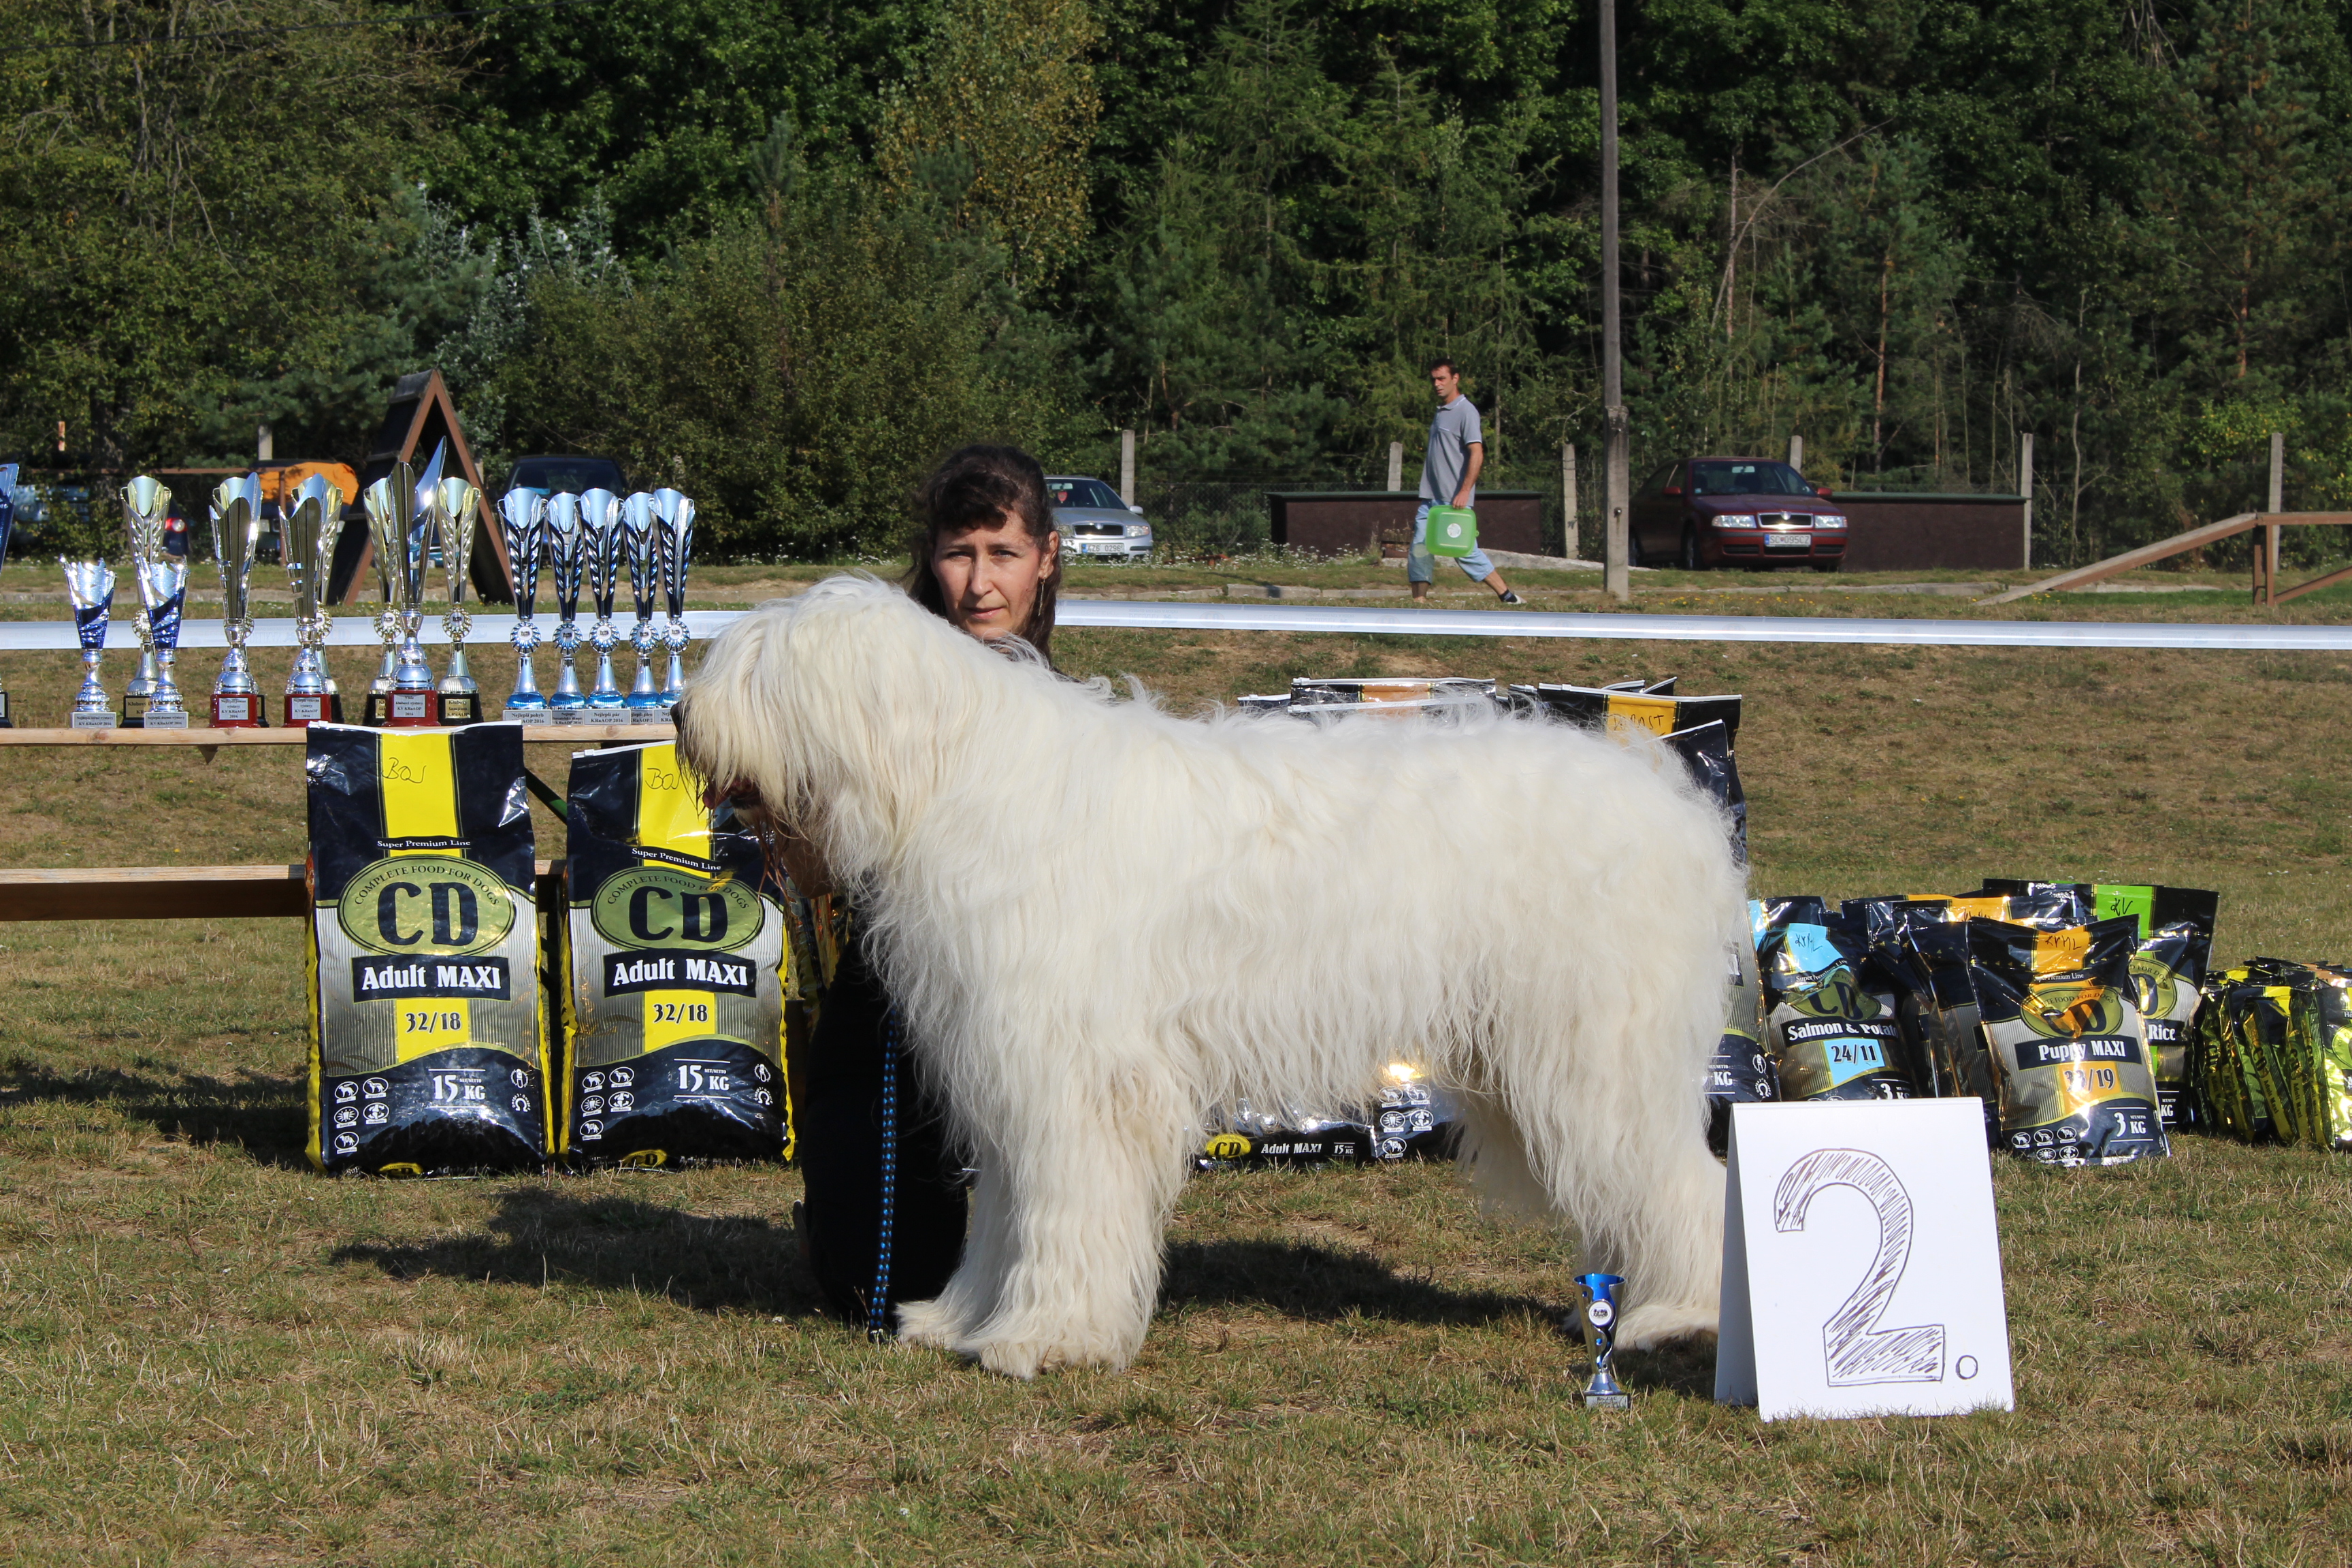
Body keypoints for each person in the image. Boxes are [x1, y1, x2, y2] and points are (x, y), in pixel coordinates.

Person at [726, 445, 1062, 1335]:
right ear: (930, 559)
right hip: (893, 1014)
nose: (980, 584)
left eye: (1003, 553)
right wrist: (777, 791)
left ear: (1046, 558)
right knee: (877, 1292)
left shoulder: (1066, 713)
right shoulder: (872, 681)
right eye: (959, 554)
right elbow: (814, 870)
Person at [1411, 357, 1522, 606]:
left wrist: (1464, 491)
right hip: (1430, 499)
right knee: (1419, 548)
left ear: (1455, 378)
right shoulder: (1440, 412)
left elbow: (1477, 453)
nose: (1437, 384)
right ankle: (1418, 603)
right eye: (1434, 380)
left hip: (1453, 500)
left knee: (1464, 551)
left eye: (1442, 379)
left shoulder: (1466, 411)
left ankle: (1508, 596)